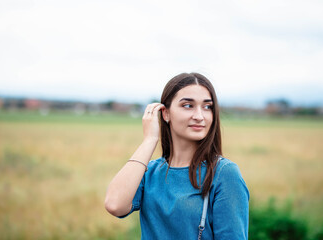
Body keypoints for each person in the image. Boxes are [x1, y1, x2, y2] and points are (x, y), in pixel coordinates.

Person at [105, 72, 249, 239]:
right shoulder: (149, 172)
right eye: (188, 105)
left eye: (207, 107)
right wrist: (150, 140)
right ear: (165, 113)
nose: (199, 116)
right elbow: (115, 204)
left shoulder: (224, 173)